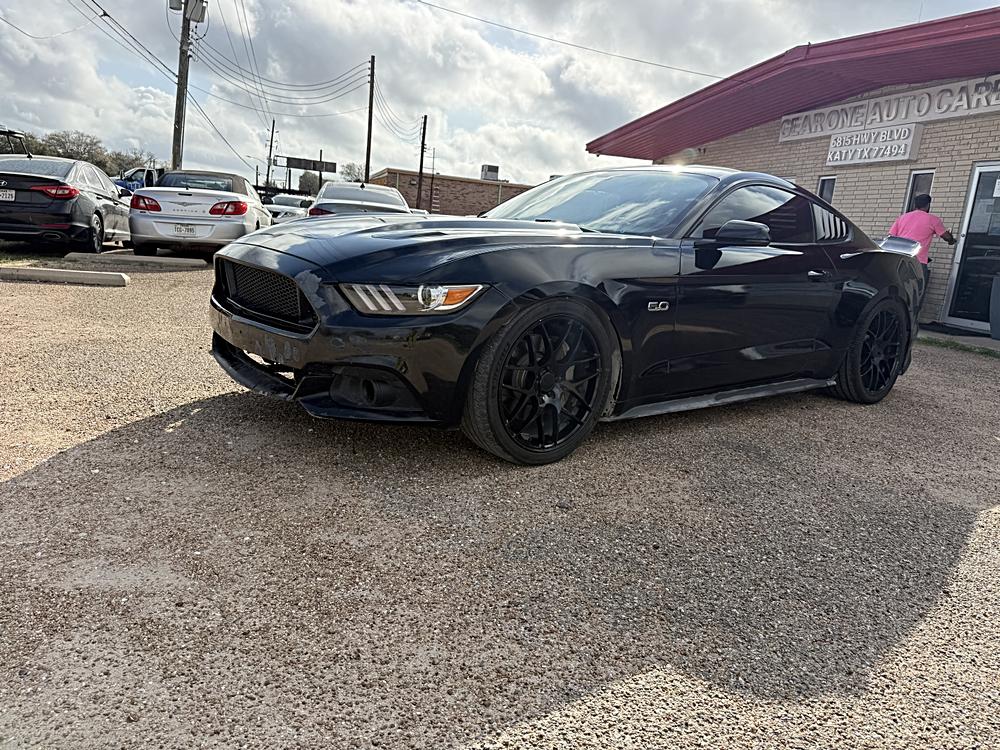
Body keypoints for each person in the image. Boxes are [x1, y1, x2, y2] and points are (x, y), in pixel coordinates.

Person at [889, 194, 956, 304]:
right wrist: (952, 240)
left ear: (915, 205)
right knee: (916, 294)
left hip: (899, 259)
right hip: (917, 262)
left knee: (898, 289)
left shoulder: (903, 217)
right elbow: (946, 237)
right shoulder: (933, 220)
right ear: (928, 205)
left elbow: (891, 236)